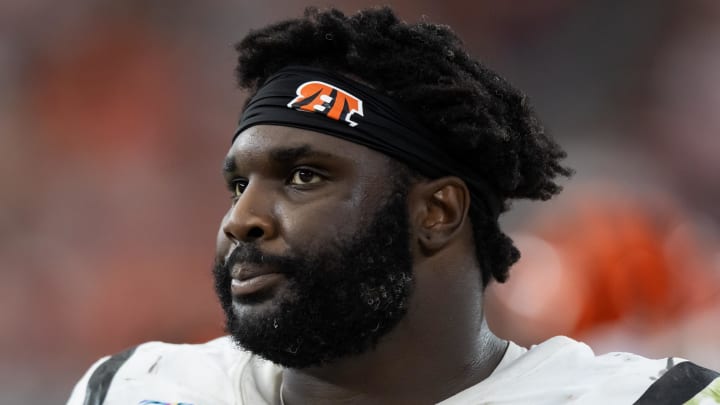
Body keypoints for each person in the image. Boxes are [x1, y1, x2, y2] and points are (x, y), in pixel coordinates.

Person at [67, 7, 719, 405]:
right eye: (239, 184)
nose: (243, 217)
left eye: (302, 175)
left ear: (436, 212)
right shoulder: (131, 386)